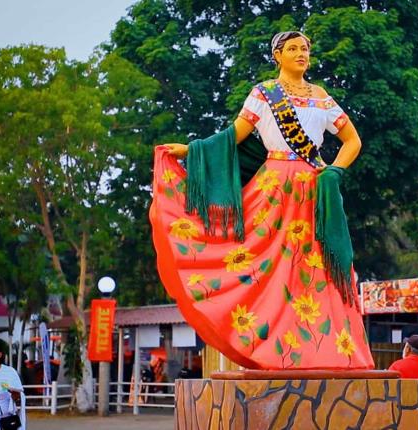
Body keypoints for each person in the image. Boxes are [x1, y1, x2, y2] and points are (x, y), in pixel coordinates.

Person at [150, 31, 373, 370]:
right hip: (274, 189)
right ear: (277, 55)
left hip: (314, 192)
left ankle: (329, 351)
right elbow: (234, 135)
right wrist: (191, 150)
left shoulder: (321, 97)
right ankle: (272, 348)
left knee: (316, 273)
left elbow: (352, 141)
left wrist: (335, 172)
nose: (302, 54)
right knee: (265, 267)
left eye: (306, 49)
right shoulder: (264, 93)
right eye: (293, 49)